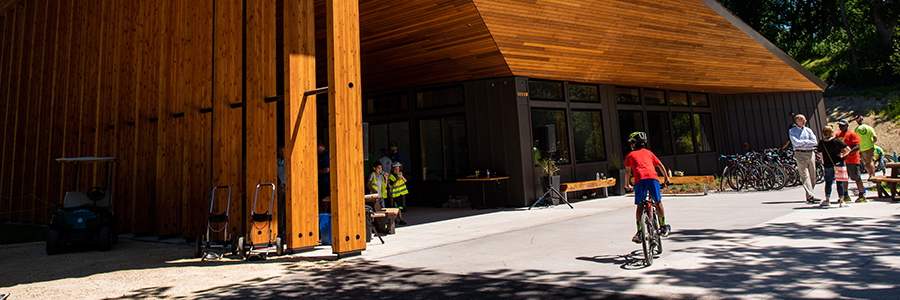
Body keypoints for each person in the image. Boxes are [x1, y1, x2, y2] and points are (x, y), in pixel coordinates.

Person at [623, 132, 672, 244]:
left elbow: (627, 171)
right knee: (658, 202)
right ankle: (663, 227)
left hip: (640, 178)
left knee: (640, 204)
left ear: (633, 144)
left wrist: (627, 185)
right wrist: (666, 178)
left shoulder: (630, 155)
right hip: (653, 177)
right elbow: (660, 165)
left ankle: (640, 231)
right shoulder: (649, 153)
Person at [789, 114, 821, 204]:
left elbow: (814, 142)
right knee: (805, 175)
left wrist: (803, 143)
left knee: (813, 175)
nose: (805, 121)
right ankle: (811, 195)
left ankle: (810, 194)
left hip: (810, 153)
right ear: (797, 121)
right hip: (800, 154)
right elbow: (796, 143)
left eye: (805, 120)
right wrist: (807, 141)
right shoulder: (792, 131)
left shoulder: (808, 130)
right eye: (803, 120)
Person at [816, 125, 850, 208]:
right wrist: (843, 155)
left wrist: (824, 163)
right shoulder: (836, 141)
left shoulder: (821, 143)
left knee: (828, 182)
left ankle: (827, 200)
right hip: (839, 163)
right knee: (840, 182)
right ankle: (841, 200)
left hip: (828, 164)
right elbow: (848, 149)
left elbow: (821, 155)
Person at [836, 119, 866, 203]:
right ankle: (845, 195)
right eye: (839, 125)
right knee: (844, 178)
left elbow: (857, 147)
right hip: (842, 160)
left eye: (842, 125)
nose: (840, 127)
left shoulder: (853, 134)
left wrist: (846, 154)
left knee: (856, 177)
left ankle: (861, 195)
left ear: (846, 125)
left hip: (852, 160)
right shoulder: (838, 135)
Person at [318, 141, 331, 212]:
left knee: (324, 199)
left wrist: (318, 171)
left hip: (325, 181)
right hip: (323, 181)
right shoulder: (322, 155)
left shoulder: (326, 155)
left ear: (319, 147)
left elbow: (327, 169)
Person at [277, 145, 287, 235]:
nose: (283, 153)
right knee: (280, 209)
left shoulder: (288, 161)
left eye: (284, 151)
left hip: (287, 186)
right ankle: (280, 228)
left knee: (288, 208)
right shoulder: (277, 162)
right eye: (281, 151)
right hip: (280, 187)